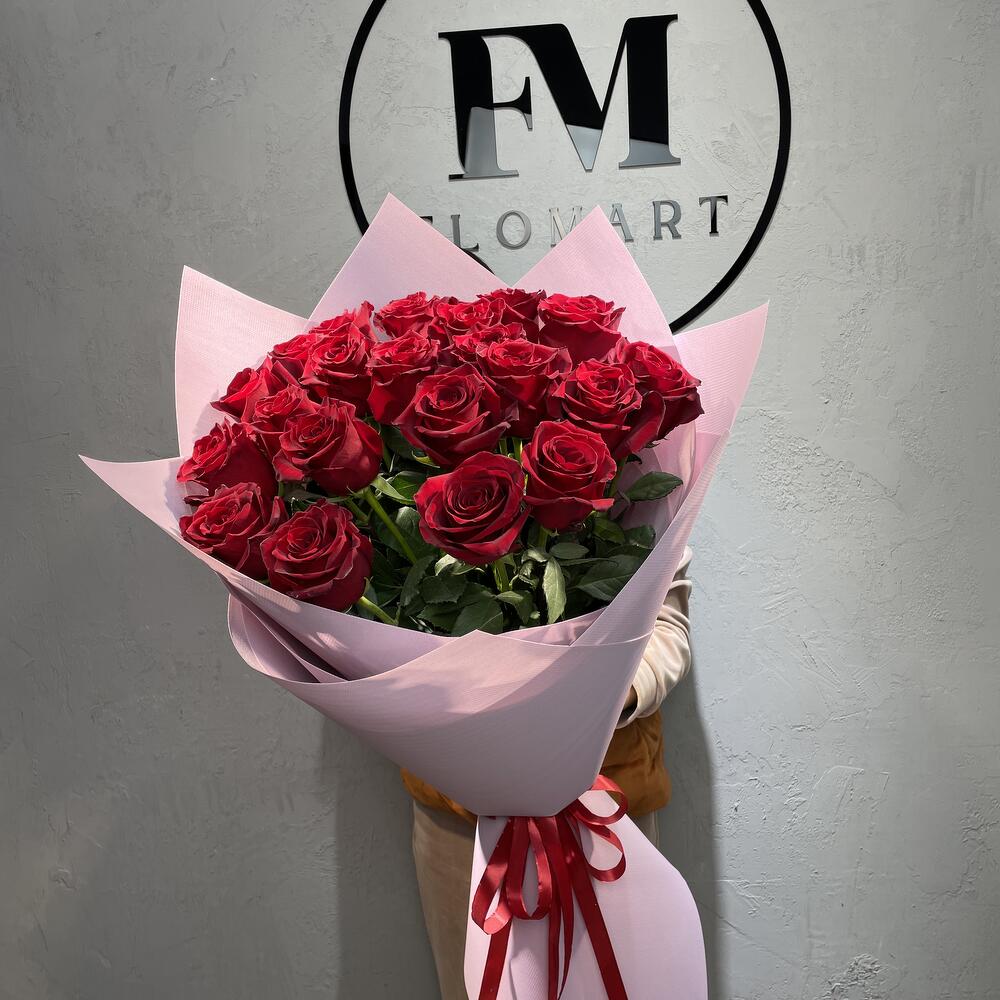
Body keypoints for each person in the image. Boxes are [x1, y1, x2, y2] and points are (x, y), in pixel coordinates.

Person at [403, 548, 694, 999]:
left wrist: (600, 699)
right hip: (460, 816)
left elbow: (666, 627)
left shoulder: (649, 506)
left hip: (605, 809)